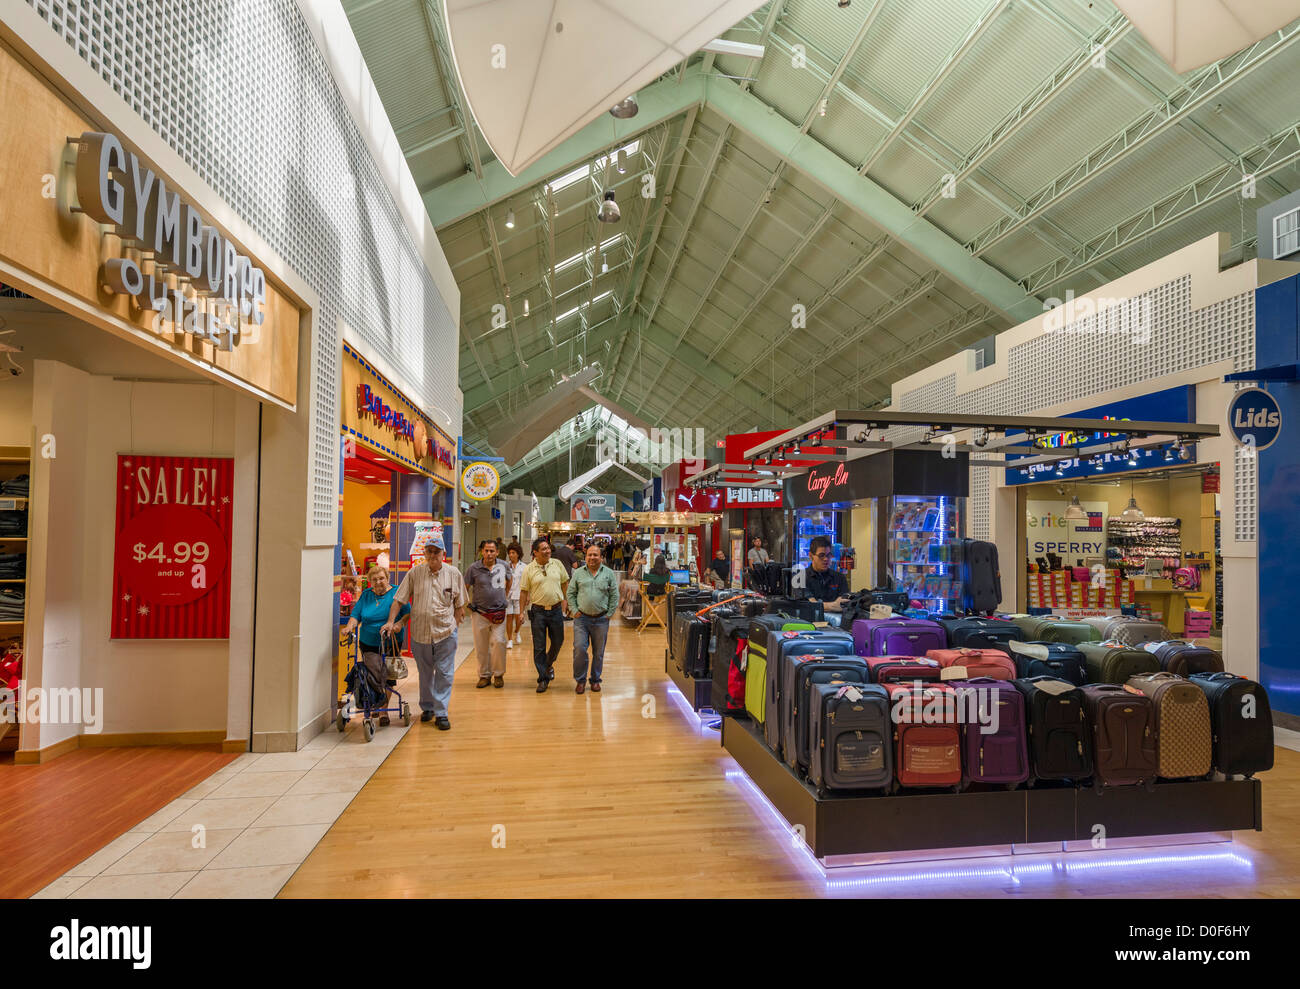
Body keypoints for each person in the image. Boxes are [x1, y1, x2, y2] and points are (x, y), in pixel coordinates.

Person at [384, 538, 466, 730]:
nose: (432, 555)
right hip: (420, 634)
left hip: (445, 632)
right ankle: (427, 707)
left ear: (443, 554)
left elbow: (460, 604)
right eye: (429, 551)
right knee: (426, 673)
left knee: (444, 673)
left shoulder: (453, 573)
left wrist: (455, 625)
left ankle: (441, 712)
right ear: (424, 553)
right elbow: (399, 600)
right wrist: (390, 621)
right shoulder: (415, 573)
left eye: (436, 552)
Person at [344, 566, 409, 726]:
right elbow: (355, 615)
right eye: (374, 579)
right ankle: (376, 703)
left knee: (388, 675)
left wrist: (399, 623)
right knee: (372, 674)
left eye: (381, 578)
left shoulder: (396, 592)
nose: (378, 582)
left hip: (390, 641)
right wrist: (349, 627)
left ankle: (383, 710)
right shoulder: (366, 595)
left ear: (387, 578)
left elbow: (408, 613)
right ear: (370, 582)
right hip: (368, 642)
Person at [519, 536, 570, 693]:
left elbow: (564, 583)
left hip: (555, 610)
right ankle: (543, 678)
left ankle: (547, 665)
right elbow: (523, 591)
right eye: (544, 549)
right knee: (539, 646)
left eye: (548, 548)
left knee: (558, 641)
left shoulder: (557, 564)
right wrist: (520, 612)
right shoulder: (529, 569)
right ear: (535, 552)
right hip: (538, 612)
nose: (548, 551)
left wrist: (566, 601)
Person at [567, 543, 619, 694]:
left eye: (595, 555)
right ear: (586, 556)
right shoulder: (578, 573)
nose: (592, 558)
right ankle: (580, 680)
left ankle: (595, 680)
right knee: (579, 649)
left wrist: (610, 613)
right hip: (581, 619)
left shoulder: (608, 573)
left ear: (601, 557)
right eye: (589, 555)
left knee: (599, 652)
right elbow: (571, 593)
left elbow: (614, 595)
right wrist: (574, 610)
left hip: (601, 619)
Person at [466, 539, 510, 689]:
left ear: (497, 552)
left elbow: (509, 581)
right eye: (486, 550)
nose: (489, 554)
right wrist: (466, 603)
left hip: (499, 612)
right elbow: (465, 586)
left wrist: (505, 595)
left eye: (492, 551)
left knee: (499, 642)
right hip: (480, 612)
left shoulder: (503, 566)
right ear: (482, 551)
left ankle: (498, 674)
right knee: (481, 646)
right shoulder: (473, 568)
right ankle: (484, 675)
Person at [801, 535, 849, 610]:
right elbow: (810, 605)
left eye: (828, 555)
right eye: (821, 555)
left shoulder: (840, 578)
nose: (826, 559)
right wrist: (832, 606)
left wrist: (824, 606)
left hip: (835, 620)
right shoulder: (801, 577)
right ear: (811, 556)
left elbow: (842, 603)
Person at [504, 542, 526, 649]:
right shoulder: (505, 566)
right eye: (510, 553)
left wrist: (528, 597)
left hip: (519, 595)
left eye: (513, 553)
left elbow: (527, 583)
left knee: (519, 618)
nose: (511, 555)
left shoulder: (524, 567)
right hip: (508, 596)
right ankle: (509, 640)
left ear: (518, 554)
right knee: (509, 617)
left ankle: (517, 632)